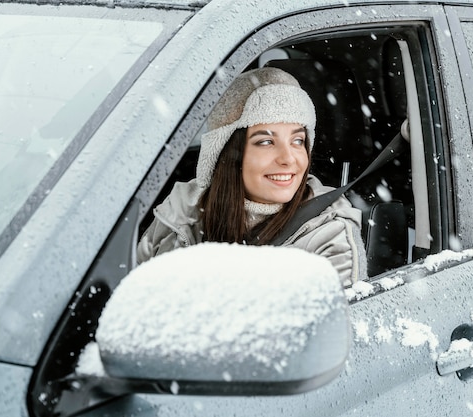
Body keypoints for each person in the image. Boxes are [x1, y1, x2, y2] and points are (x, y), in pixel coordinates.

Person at [137, 67, 367, 285]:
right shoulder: (181, 212)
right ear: (228, 153)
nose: (288, 158)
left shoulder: (330, 235)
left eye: (297, 141)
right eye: (266, 142)